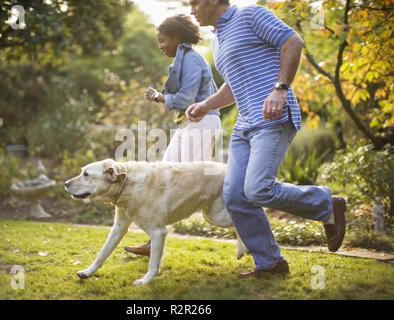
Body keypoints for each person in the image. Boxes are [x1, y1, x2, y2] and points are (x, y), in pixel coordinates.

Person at [185, 0, 347, 278]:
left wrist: (281, 89)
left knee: (258, 189)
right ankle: (270, 263)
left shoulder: (250, 13)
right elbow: (233, 85)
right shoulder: (218, 39)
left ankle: (326, 204)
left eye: (194, 3)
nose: (191, 11)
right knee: (236, 196)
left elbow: (293, 41)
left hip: (272, 119)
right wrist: (207, 105)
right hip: (244, 126)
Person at [124, 14, 221, 256]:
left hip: (200, 124)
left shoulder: (190, 59)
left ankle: (246, 222)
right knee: (164, 176)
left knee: (193, 182)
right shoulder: (184, 58)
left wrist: (158, 97)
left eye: (163, 40)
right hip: (190, 124)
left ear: (177, 38)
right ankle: (152, 240)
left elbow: (185, 99)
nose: (160, 46)